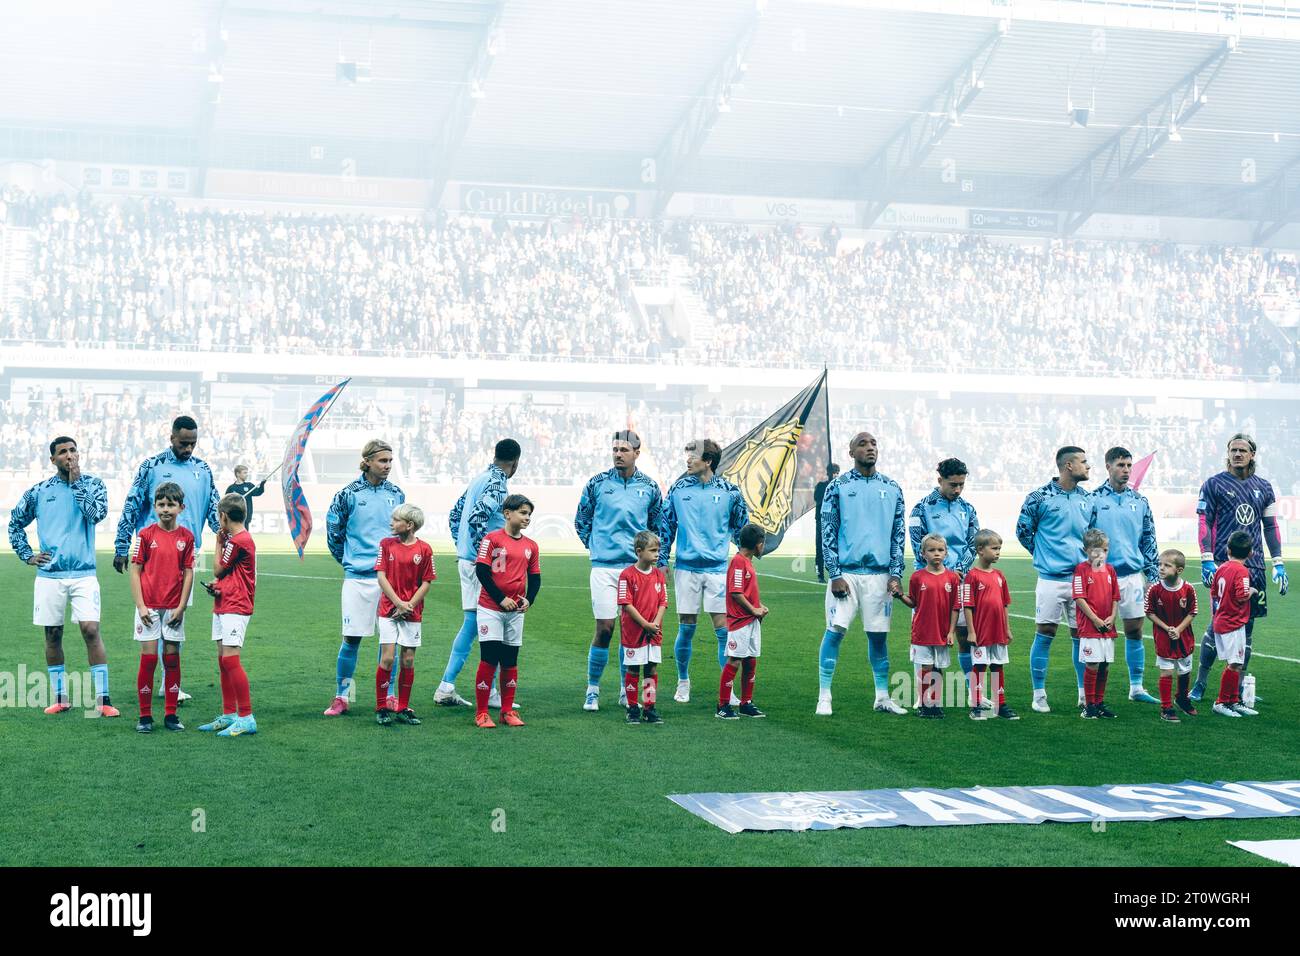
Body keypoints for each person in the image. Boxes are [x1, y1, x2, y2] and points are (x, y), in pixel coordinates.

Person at [113, 415, 220, 705]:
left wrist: (229, 527)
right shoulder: (152, 466)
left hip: (187, 552)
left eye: (193, 443)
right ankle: (157, 680)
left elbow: (214, 509)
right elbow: (133, 503)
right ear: (171, 437)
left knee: (175, 617)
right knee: (152, 614)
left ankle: (167, 684)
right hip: (154, 551)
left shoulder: (203, 468)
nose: (188, 449)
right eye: (183, 443)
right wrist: (122, 544)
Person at [8, 436, 115, 716]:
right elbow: (15, 522)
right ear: (53, 459)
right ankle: (60, 697)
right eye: (63, 452)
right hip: (49, 575)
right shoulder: (40, 491)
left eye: (73, 450)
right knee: (53, 634)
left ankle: (104, 701)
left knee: (91, 630)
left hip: (83, 573)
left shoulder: (93, 484)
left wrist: (77, 482)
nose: (69, 455)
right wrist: (27, 554)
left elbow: (97, 515)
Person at [1191, 434, 1288, 703]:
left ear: (1252, 454)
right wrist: (1207, 558)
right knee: (1217, 626)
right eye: (1233, 449)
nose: (1237, 454)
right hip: (1225, 565)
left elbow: (1270, 527)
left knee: (1248, 630)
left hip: (1254, 567)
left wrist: (1278, 562)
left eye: (1242, 450)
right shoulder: (1214, 484)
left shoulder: (1264, 487)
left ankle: (1237, 689)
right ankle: (1200, 683)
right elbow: (1204, 520)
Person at [815, 432, 906, 717]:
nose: (870, 448)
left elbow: (898, 534)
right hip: (847, 574)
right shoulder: (838, 487)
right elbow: (827, 529)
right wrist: (835, 572)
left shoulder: (892, 487)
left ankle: (882, 696)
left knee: (878, 637)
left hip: (879, 576)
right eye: (863, 444)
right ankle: (825, 696)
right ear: (851, 451)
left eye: (874, 443)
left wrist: (895, 573)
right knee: (835, 631)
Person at [575, 430, 664, 712]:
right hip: (604, 567)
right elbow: (582, 520)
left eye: (624, 450)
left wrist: (654, 563)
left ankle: (628, 691)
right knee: (605, 628)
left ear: (637, 453)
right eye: (615, 449)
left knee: (633, 632)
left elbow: (656, 526)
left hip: (635, 570)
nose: (618, 454)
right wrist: (597, 547)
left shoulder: (649, 487)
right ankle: (592, 689)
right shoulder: (597, 484)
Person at [660, 438, 748, 705]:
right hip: (686, 568)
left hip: (718, 570)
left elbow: (741, 529)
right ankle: (683, 681)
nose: (688, 460)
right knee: (686, 628)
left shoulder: (730, 492)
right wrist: (663, 559)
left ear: (708, 461)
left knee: (723, 630)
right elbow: (666, 526)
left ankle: (727, 688)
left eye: (693, 456)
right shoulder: (678, 489)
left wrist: (747, 559)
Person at [322, 440, 405, 717]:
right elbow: (334, 533)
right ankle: (343, 696)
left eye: (390, 461)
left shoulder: (397, 494)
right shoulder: (348, 494)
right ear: (367, 461)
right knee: (352, 639)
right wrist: (351, 559)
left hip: (390, 580)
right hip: (358, 578)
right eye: (383, 461)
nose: (388, 466)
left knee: (389, 642)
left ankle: (390, 695)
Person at [436, 438, 520, 709]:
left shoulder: (479, 478)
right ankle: (458, 687)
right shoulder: (498, 484)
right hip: (481, 563)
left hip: (468, 558)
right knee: (488, 622)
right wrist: (483, 556)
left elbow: (455, 515)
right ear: (516, 462)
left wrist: (463, 548)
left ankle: (456, 686)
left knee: (475, 622)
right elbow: (477, 517)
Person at [1016, 445, 1092, 714]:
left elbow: (1092, 536)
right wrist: (1042, 554)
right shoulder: (1039, 497)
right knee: (1045, 633)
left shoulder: (1088, 499)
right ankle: (1038, 694)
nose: (1088, 466)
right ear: (1068, 466)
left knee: (1081, 636)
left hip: (1080, 580)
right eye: (1083, 462)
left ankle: (1084, 694)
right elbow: (1023, 530)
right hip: (1050, 579)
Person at [1086, 447, 1160, 704]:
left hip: (1132, 576)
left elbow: (1149, 538)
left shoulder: (1140, 501)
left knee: (1135, 630)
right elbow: (1084, 539)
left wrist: (1152, 574)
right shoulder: (1093, 499)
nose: (1126, 470)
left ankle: (1136, 687)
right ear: (1108, 467)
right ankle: (1089, 693)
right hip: (1101, 576)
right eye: (1120, 465)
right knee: (1099, 632)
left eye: (1128, 465)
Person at [908, 458, 980, 705]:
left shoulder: (968, 509)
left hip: (961, 581)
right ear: (940, 480)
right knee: (927, 639)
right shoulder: (921, 508)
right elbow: (918, 546)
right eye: (953, 484)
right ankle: (925, 697)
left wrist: (958, 570)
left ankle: (974, 694)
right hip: (930, 585)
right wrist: (942, 573)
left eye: (961, 484)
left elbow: (973, 543)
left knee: (965, 636)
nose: (958, 489)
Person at [130, 482, 194, 733]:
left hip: (173, 609)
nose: (165, 509)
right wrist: (141, 606)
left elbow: (188, 573)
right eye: (161, 504)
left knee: (171, 658)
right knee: (148, 659)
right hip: (149, 608)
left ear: (181, 507)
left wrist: (181, 607)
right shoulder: (145, 535)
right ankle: (145, 716)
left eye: (170, 505)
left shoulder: (187, 538)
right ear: (155, 506)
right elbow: (135, 572)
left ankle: (170, 714)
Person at [473, 495, 541, 729]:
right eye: (523, 512)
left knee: (510, 660)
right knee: (489, 658)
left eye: (529, 514)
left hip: (515, 612)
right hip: (490, 608)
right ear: (507, 513)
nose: (527, 518)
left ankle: (506, 711)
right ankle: (482, 712)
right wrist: (501, 599)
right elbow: (482, 572)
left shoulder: (531, 546)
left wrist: (528, 600)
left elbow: (535, 578)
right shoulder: (491, 539)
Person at [198, 494, 258, 737]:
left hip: (236, 605)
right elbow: (228, 575)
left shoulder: (238, 541)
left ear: (223, 516)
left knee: (231, 660)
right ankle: (229, 714)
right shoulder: (239, 539)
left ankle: (246, 717)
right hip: (225, 601)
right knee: (223, 660)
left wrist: (218, 541)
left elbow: (217, 568)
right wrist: (218, 585)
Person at [374, 504, 435, 728]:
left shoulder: (425, 549)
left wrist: (409, 605)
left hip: (412, 611)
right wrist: (398, 603)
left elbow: (426, 582)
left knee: (408, 660)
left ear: (409, 525)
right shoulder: (386, 545)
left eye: (396, 519)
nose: (391, 522)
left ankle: (403, 708)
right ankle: (381, 707)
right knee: (388, 658)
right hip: (389, 609)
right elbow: (381, 576)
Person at [896, 533, 960, 719]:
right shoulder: (917, 577)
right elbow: (913, 602)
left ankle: (936, 703)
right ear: (923, 553)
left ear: (946, 553)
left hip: (942, 632)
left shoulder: (952, 578)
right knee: (926, 668)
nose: (936, 554)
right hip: (922, 632)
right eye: (932, 550)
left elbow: (955, 607)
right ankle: (924, 704)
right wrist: (900, 596)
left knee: (938, 668)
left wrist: (951, 632)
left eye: (940, 550)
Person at [960, 529, 1017, 721]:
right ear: (980, 550)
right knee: (980, 667)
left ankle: (1000, 705)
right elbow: (967, 606)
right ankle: (976, 705)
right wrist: (971, 631)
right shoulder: (972, 576)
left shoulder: (1000, 575)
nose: (998, 552)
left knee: (998, 666)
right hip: (981, 632)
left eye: (999, 548)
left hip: (998, 631)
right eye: (994, 548)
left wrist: (1007, 628)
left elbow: (1004, 604)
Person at [717, 523, 768, 720]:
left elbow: (746, 592)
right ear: (758, 544)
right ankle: (722, 705)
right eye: (763, 544)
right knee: (735, 660)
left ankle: (746, 702)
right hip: (740, 621)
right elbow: (736, 593)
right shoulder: (738, 562)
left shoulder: (746, 562)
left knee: (750, 660)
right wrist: (754, 609)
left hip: (751, 620)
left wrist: (759, 606)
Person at [619, 531, 669, 725]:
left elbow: (663, 601)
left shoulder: (658, 575)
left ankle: (649, 708)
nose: (657, 554)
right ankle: (632, 708)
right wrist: (645, 624)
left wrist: (655, 623)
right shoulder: (627, 575)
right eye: (653, 550)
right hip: (634, 632)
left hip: (654, 632)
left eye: (658, 550)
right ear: (639, 552)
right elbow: (626, 604)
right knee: (633, 668)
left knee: (651, 668)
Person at [1144, 549, 1198, 723]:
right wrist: (1167, 628)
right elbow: (1149, 612)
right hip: (1163, 637)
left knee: (1184, 670)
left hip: (1184, 636)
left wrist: (1179, 629)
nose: (1161, 568)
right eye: (1160, 564)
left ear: (1179, 570)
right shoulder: (1154, 589)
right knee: (1166, 671)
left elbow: (1192, 612)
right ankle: (1166, 707)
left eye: (1167, 565)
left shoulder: (1188, 589)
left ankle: (1182, 699)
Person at [1208, 531, 1258, 718]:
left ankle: (1233, 700)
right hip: (1233, 622)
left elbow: (1213, 593)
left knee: (1234, 663)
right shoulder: (1242, 571)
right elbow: (1241, 595)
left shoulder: (1221, 568)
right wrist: (1252, 591)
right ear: (1251, 553)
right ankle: (1221, 702)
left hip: (1221, 620)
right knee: (1235, 663)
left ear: (1228, 549)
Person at [1073, 528, 1121, 720]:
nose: (1102, 553)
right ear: (1086, 550)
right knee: (1092, 664)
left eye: (1105, 549)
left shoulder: (1110, 570)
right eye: (1097, 550)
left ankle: (1099, 703)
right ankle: (1089, 705)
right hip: (1090, 627)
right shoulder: (1081, 570)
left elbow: (1116, 597)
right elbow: (1079, 597)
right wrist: (1095, 619)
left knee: (1105, 665)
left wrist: (1112, 617)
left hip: (1107, 627)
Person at [813, 463, 840, 584]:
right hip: (821, 520)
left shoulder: (839, 487)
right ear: (828, 473)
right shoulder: (821, 486)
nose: (835, 474)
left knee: (835, 546)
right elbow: (817, 500)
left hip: (835, 521)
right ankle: (820, 573)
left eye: (837, 472)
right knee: (820, 546)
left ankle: (833, 570)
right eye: (834, 472)